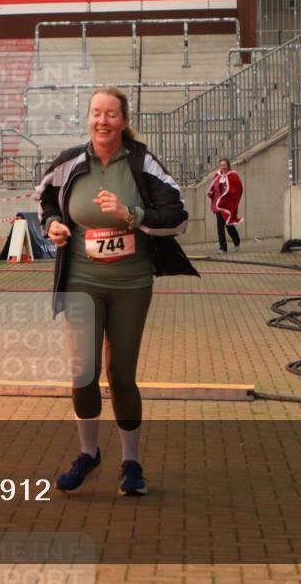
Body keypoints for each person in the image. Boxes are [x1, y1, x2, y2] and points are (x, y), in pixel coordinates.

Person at [37, 86, 198, 496]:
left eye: (111, 114)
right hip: (81, 280)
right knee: (83, 372)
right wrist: (53, 225)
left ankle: (131, 463)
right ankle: (88, 454)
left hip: (130, 282)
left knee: (121, 374)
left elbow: (177, 217)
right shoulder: (71, 162)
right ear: (88, 118)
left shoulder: (143, 163)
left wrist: (133, 215)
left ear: (124, 121)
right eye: (96, 113)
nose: (102, 121)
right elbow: (46, 200)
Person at [207, 158, 243, 253]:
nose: (223, 167)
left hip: (227, 206)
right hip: (219, 205)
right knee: (220, 227)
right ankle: (223, 248)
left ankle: (237, 242)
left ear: (228, 166)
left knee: (229, 226)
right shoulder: (217, 175)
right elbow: (214, 186)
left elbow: (238, 188)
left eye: (224, 165)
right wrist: (211, 192)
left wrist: (231, 194)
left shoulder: (233, 176)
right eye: (221, 165)